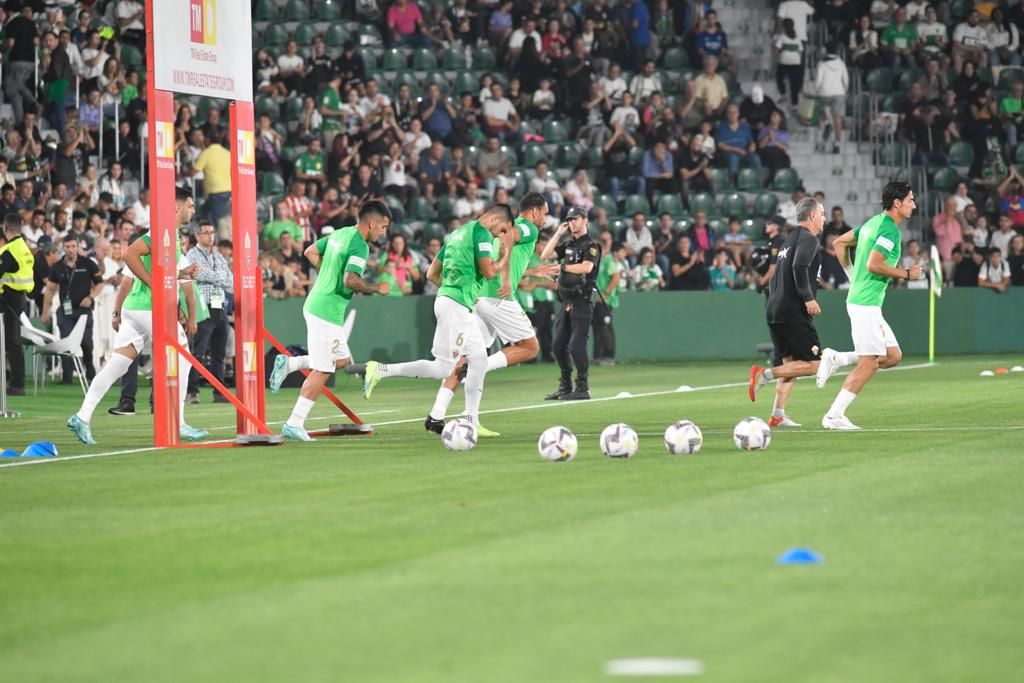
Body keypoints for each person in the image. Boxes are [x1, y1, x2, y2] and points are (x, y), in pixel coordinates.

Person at [399, 194, 559, 431]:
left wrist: (530, 271)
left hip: (480, 296)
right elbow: (509, 238)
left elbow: (503, 255)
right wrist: (506, 278)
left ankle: (437, 414)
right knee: (530, 347)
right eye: (544, 213)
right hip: (498, 297)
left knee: (463, 357)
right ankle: (479, 370)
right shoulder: (527, 228)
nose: (544, 218)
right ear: (534, 212)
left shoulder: (492, 232)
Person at [355, 204, 514, 433]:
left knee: (478, 359)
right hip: (456, 307)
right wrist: (504, 257)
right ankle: (380, 370)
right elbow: (490, 272)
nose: (500, 235)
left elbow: (431, 274)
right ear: (495, 219)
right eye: (502, 230)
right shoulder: (481, 234)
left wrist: (454, 293)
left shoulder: (457, 233)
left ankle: (471, 421)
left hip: (454, 303)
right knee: (442, 369)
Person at [67, 187, 208, 445]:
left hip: (136, 309)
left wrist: (182, 274)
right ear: (176, 207)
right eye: (190, 205)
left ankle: (82, 416)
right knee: (184, 357)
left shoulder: (173, 236)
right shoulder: (161, 232)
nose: (193, 210)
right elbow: (129, 254)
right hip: (148, 308)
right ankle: (179, 423)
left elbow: (162, 275)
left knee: (117, 365)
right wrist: (154, 283)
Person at [268, 201, 394, 441]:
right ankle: (294, 423)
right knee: (323, 368)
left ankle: (290, 364)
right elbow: (350, 281)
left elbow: (310, 252)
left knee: (341, 360)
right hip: (325, 309)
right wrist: (377, 287)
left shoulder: (341, 233)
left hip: (320, 305)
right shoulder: (360, 245)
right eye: (384, 227)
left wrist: (329, 273)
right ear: (372, 223)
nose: (384, 232)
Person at [816, 181, 923, 430]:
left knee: (893, 356)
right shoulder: (890, 231)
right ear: (897, 203)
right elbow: (874, 264)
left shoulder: (872, 222)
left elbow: (838, 244)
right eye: (910, 200)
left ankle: (837, 358)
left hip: (866, 302)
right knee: (870, 363)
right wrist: (906, 273)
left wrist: (852, 276)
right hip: (865, 304)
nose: (914, 205)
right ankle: (833, 416)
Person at [748, 198, 850, 427]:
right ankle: (762, 375)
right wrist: (808, 298)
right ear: (812, 216)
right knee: (815, 364)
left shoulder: (789, 240)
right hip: (793, 309)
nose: (824, 218)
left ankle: (777, 414)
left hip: (775, 308)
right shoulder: (809, 239)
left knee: (790, 364)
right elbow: (799, 267)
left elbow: (777, 275)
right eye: (822, 214)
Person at [540, 207, 600, 400]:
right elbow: (545, 255)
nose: (572, 222)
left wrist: (563, 267)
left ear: (584, 220)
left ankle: (583, 387)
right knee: (558, 345)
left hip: (582, 299)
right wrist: (558, 232)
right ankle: (565, 387)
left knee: (576, 346)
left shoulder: (591, 245)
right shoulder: (568, 244)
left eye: (575, 219)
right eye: (570, 220)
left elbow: (587, 267)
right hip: (566, 300)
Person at [40, 234, 104, 384]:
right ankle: (66, 376)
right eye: (67, 247)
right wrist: (44, 312)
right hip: (65, 310)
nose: (70, 250)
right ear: (63, 248)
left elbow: (100, 284)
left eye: (73, 246)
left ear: (78, 247)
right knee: (66, 342)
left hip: (84, 310)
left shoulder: (88, 264)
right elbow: (50, 289)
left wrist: (91, 297)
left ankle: (89, 368)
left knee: (86, 342)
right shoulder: (57, 267)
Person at [183, 220, 232, 404]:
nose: (210, 235)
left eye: (212, 232)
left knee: (220, 352)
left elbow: (229, 280)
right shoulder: (191, 255)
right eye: (206, 232)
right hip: (202, 307)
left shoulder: (218, 256)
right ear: (197, 235)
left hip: (220, 307)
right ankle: (192, 391)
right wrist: (216, 277)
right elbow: (195, 275)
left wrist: (208, 276)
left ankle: (219, 391)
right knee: (198, 351)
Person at [0, 213, 35, 396]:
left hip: (7, 299)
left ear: (5, 228)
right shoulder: (24, 248)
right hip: (19, 298)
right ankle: (14, 381)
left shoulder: (9, 250)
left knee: (12, 342)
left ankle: (17, 384)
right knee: (11, 341)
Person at [593, 241, 624, 365]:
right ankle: (598, 356)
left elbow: (616, 278)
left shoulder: (608, 261)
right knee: (598, 328)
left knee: (606, 328)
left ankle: (609, 356)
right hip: (596, 300)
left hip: (605, 301)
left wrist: (605, 294)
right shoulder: (596, 262)